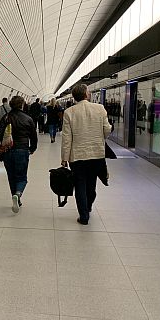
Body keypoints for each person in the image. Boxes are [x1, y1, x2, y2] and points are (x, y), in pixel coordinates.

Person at [61, 84, 112, 225]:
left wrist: (64, 158)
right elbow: (107, 130)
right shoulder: (100, 108)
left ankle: (83, 215)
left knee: (80, 184)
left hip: (77, 156)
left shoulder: (69, 112)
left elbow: (67, 138)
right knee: (91, 184)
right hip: (96, 154)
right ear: (86, 94)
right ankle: (88, 205)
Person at [0, 95, 38, 213]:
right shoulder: (28, 119)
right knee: (22, 177)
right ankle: (18, 194)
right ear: (22, 105)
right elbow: (34, 136)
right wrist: (32, 148)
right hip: (22, 150)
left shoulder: (5, 117)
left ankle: (16, 198)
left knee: (11, 176)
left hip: (8, 151)